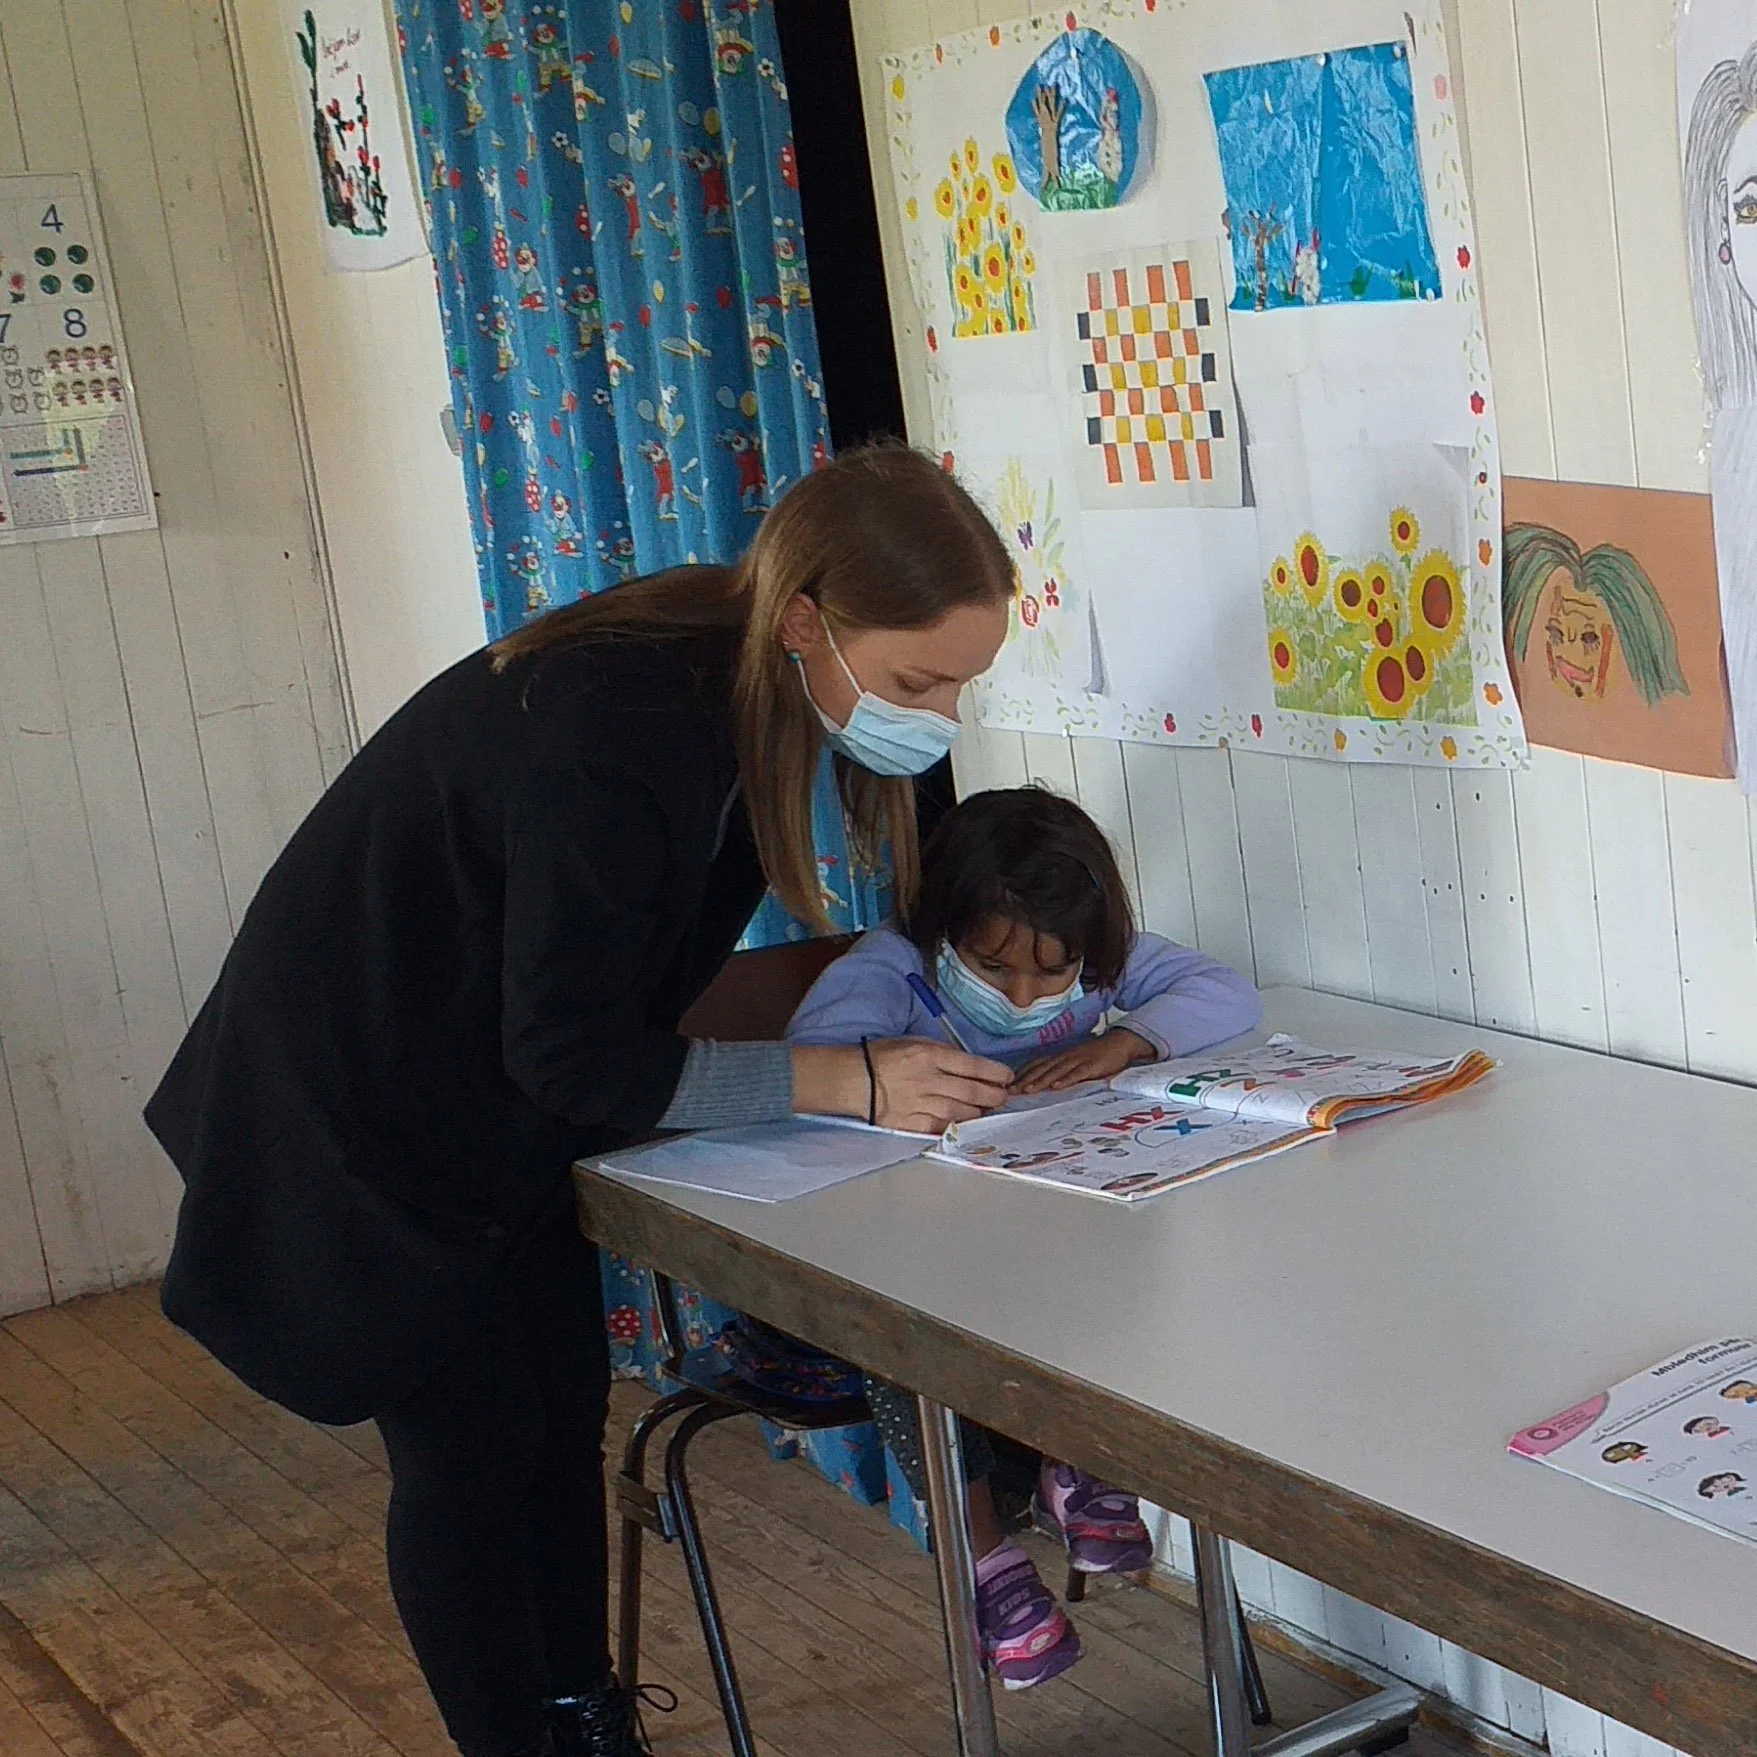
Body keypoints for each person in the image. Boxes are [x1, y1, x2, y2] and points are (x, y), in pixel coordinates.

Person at [142, 445, 1018, 1757]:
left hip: (488, 1108)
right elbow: (570, 1053)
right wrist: (845, 1079)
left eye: (960, 682)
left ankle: (580, 1717)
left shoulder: (735, 681)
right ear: (804, 620)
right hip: (363, 1119)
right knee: (470, 1453)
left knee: (557, 1419)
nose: (938, 714)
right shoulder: (622, 725)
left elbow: (609, 1005)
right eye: (918, 681)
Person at [784, 785, 1261, 1689]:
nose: (1025, 997)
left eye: (1051, 976)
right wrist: (887, 1088)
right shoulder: (886, 969)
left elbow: (1224, 994)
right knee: (906, 1347)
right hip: (914, 1260)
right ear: (942, 935)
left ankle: (1081, 1462)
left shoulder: (1102, 968)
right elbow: (816, 1063)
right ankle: (985, 1560)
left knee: (1129, 1258)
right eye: (993, 969)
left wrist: (1130, 1041)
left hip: (1046, 1236)